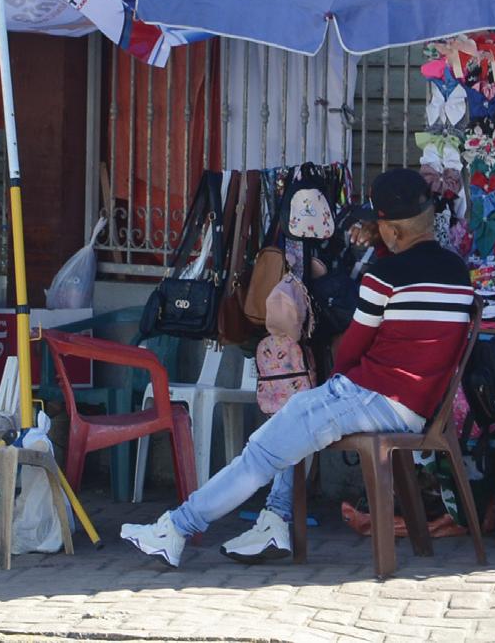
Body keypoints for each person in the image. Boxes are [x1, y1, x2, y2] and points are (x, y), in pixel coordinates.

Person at [122, 167, 474, 566]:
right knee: (295, 420)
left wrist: (340, 383)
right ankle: (274, 519)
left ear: (391, 230)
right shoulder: (457, 272)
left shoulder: (385, 276)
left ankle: (176, 529)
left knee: (264, 449)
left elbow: (351, 350)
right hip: (416, 408)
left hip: (377, 399)